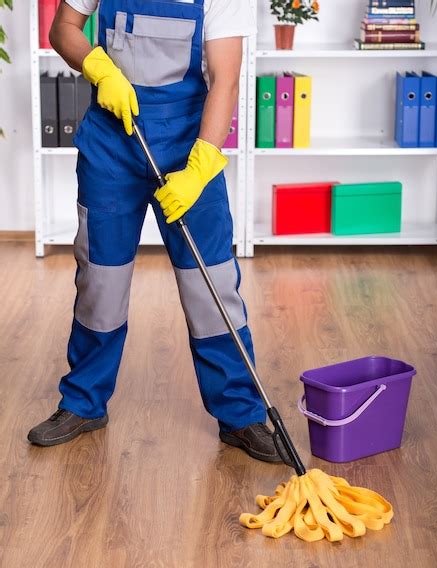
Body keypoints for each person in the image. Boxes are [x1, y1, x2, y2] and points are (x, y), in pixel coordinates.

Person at [27, 0, 280, 463]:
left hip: (188, 147)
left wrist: (201, 165)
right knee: (99, 282)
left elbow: (225, 80)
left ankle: (241, 414)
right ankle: (83, 403)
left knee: (212, 285)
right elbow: (64, 29)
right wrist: (96, 65)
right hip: (110, 147)